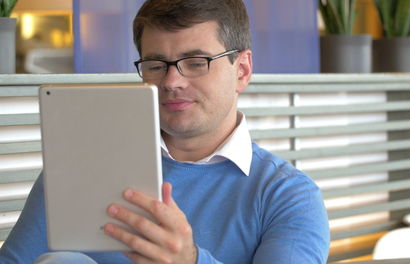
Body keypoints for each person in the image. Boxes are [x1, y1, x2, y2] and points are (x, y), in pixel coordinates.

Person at [0, 0, 330, 263]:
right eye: (156, 65)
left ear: (241, 71)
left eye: (197, 61)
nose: (171, 82)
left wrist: (189, 261)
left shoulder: (288, 197)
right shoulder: (77, 170)